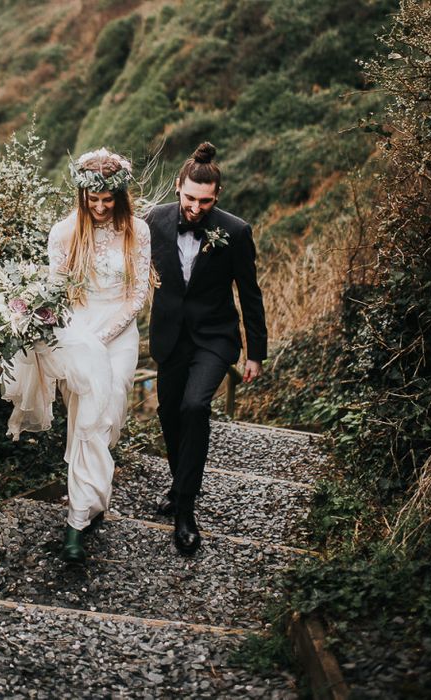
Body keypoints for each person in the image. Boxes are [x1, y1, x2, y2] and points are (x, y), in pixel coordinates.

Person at [1, 147, 151, 564]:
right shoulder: (63, 233)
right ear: (81, 195)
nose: (101, 208)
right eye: (94, 200)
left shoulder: (138, 230)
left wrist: (103, 337)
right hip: (77, 334)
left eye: (108, 200)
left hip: (118, 337)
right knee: (86, 419)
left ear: (120, 196)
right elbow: (56, 295)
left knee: (111, 413)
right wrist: (75, 335)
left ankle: (93, 498)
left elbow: (137, 294)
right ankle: (78, 518)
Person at [146, 142, 267, 556]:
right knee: (168, 413)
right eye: (189, 198)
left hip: (216, 336)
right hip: (169, 336)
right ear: (178, 187)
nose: (196, 208)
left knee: (195, 407)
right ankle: (179, 483)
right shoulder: (154, 221)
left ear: (217, 196)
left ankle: (185, 509)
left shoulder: (235, 231)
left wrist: (255, 353)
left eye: (205, 201)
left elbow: (250, 294)